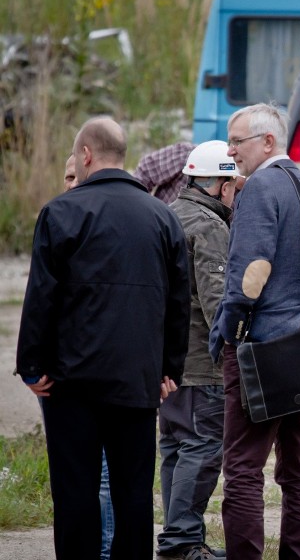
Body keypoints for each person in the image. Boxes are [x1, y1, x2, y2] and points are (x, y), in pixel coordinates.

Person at [15, 116, 191, 560]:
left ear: (86, 155)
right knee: (133, 493)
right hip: (137, 382)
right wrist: (170, 368)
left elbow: (41, 297)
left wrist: (31, 366)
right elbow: (178, 302)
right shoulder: (162, 218)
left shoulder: (60, 212)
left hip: (70, 384)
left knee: (75, 492)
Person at [208, 103, 300, 560]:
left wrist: (229, 333)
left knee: (243, 467)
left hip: (262, 348)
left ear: (268, 142)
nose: (230, 150)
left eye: (237, 141)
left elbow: (249, 273)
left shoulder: (261, 188)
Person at [157, 141, 239, 560]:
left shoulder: (169, 215)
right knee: (202, 448)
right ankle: (182, 542)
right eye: (233, 184)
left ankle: (179, 536)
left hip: (168, 365)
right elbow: (217, 304)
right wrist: (237, 352)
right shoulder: (209, 227)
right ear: (221, 185)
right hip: (200, 365)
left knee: (174, 447)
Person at [61, 153, 116, 560]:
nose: (71, 181)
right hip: (69, 374)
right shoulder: (57, 224)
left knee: (103, 473)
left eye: (75, 173)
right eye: (65, 176)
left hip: (103, 369)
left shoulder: (107, 226)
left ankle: (104, 546)